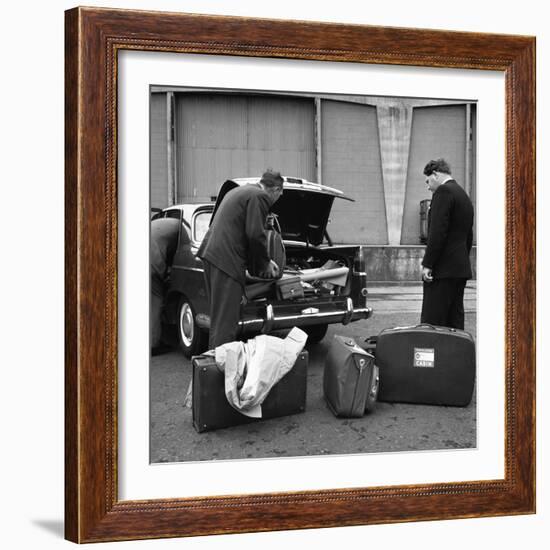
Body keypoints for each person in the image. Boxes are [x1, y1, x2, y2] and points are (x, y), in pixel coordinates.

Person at [198, 169, 284, 349]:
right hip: (226, 260)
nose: (279, 197)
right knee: (226, 324)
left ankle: (214, 367)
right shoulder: (260, 196)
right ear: (275, 190)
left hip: (212, 256)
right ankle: (220, 371)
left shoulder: (239, 191)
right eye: (280, 193)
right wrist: (265, 264)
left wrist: (254, 267)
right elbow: (254, 234)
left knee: (219, 319)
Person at [420, 158, 474, 330]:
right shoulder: (463, 195)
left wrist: (428, 264)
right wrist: (461, 258)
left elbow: (437, 232)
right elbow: (468, 235)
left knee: (432, 322)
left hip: (442, 271)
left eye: (428, 180)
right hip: (460, 268)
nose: (427, 186)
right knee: (454, 320)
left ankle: (435, 356)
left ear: (435, 174)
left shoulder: (443, 192)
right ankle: (456, 354)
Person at [150, 216, 182, 352]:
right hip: (152, 262)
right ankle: (153, 344)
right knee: (156, 302)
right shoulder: (181, 226)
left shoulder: (161, 223)